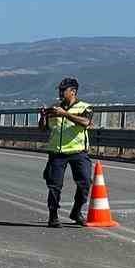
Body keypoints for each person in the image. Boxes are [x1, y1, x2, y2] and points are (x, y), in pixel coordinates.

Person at [38, 77, 94, 227]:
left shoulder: (84, 107)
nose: (61, 93)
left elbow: (86, 123)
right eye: (60, 90)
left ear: (73, 92)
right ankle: (53, 215)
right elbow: (43, 129)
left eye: (64, 90)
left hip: (78, 152)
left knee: (85, 182)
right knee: (54, 185)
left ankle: (76, 211)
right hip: (57, 152)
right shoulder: (55, 108)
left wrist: (65, 114)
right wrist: (43, 116)